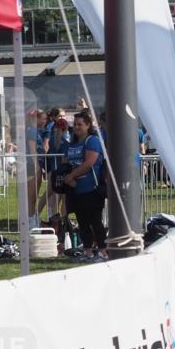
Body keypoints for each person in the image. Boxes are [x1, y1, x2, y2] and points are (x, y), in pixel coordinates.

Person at [62, 111, 107, 262]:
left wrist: (72, 175)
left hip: (92, 188)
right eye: (74, 124)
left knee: (95, 221)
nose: (76, 127)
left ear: (88, 125)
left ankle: (102, 251)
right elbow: (67, 162)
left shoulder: (92, 140)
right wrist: (68, 177)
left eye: (80, 124)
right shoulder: (73, 143)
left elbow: (89, 163)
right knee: (82, 222)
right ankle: (87, 251)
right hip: (76, 189)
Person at [25, 109, 47, 229]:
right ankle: (30, 220)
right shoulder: (32, 131)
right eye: (43, 118)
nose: (44, 121)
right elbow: (32, 150)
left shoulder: (36, 131)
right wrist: (37, 166)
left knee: (34, 195)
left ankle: (32, 218)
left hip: (34, 165)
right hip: (32, 165)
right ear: (36, 118)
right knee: (32, 196)